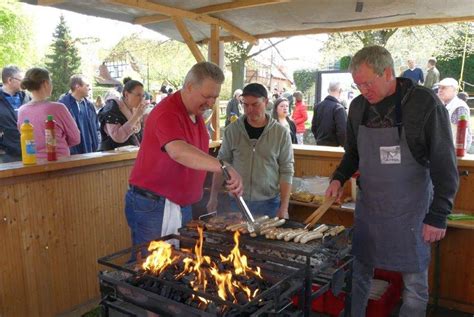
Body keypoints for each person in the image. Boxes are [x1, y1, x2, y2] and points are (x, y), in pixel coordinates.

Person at [325, 46, 458, 317]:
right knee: (359, 274)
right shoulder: (359, 106)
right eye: (357, 84)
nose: (363, 90)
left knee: (415, 285)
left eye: (367, 83)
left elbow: (445, 165)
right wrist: (338, 178)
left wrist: (439, 214)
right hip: (371, 209)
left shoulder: (423, 104)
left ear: (388, 73)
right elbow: (353, 154)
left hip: (411, 212)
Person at [126, 62, 243, 258]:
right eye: (207, 96)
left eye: (215, 97)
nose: (211, 103)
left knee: (178, 266)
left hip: (182, 204)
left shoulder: (196, 114)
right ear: (189, 87)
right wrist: (223, 166)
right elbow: (178, 151)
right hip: (154, 205)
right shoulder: (168, 112)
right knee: (149, 266)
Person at [207, 83, 294, 218]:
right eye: (245, 105)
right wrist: (213, 197)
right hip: (237, 201)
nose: (249, 110)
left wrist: (284, 207)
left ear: (265, 102)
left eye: (255, 105)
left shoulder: (281, 133)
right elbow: (221, 164)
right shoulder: (232, 130)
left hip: (269, 203)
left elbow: (287, 170)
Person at [17, 67, 80, 159]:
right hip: (59, 162)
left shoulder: (22, 111)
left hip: (32, 163)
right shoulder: (58, 108)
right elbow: (75, 138)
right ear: (46, 83)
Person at [97, 79, 147, 151]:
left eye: (143, 96)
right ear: (126, 94)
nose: (141, 99)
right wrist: (136, 116)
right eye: (138, 95)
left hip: (130, 156)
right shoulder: (112, 108)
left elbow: (138, 133)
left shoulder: (133, 109)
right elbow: (118, 137)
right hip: (112, 157)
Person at [58, 75, 99, 154]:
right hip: (72, 156)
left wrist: (97, 145)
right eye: (87, 85)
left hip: (91, 154)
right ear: (77, 86)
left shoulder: (89, 106)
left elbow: (97, 127)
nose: (89, 88)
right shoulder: (64, 106)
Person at [0, 65, 30, 162]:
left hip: (31, 152)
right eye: (21, 79)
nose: (24, 83)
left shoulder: (27, 98)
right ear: (9, 80)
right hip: (7, 156)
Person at [437, 77, 472, 150]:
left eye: (444, 88)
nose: (440, 90)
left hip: (454, 153)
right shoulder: (442, 105)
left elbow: (464, 135)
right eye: (439, 87)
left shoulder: (459, 107)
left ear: (454, 90)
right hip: (445, 152)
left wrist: (459, 154)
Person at [311, 81, 347, 147]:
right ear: (340, 91)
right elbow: (342, 132)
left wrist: (320, 140)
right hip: (334, 149)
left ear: (328, 90)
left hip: (319, 145)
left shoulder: (318, 106)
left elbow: (314, 127)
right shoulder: (339, 108)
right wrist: (343, 146)